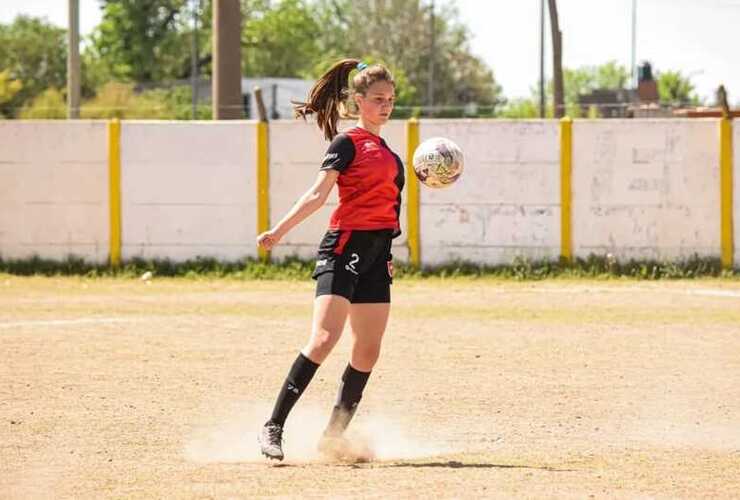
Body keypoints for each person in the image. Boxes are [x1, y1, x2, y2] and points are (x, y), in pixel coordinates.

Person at [256, 58, 404, 461]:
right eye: (378, 99)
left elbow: (389, 213)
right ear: (358, 101)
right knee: (324, 339)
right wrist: (278, 232)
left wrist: (386, 255)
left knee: (368, 351)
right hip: (343, 248)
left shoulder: (391, 155)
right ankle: (274, 426)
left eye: (390, 100)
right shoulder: (347, 143)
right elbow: (317, 195)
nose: (385, 106)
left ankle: (333, 436)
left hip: (376, 256)